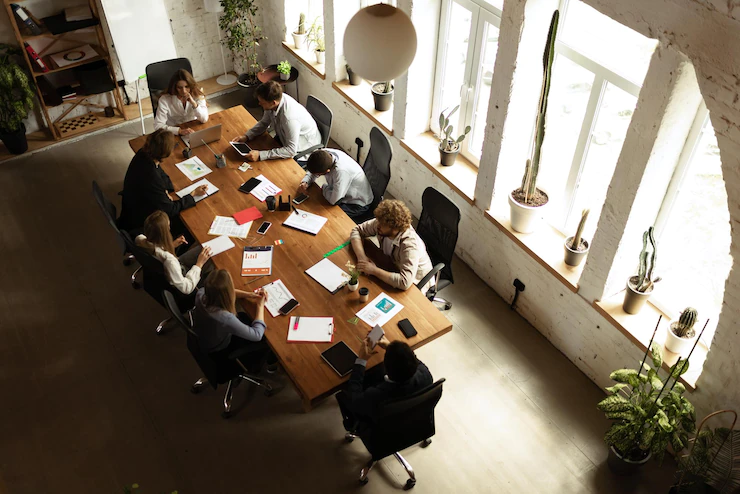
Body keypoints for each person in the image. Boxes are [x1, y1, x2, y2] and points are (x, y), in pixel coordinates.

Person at [117, 128, 207, 235]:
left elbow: (159, 170)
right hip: (141, 219)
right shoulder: (152, 178)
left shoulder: (144, 153)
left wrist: (166, 189)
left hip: (132, 203)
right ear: (165, 153)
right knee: (190, 222)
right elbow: (170, 209)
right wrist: (193, 194)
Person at [336, 337, 433, 433]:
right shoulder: (425, 375)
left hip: (382, 432)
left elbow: (355, 400)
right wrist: (392, 349)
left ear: (385, 369)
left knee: (344, 389)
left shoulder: (374, 396)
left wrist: (361, 360)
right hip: (412, 420)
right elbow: (413, 360)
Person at [193, 269, 278, 373]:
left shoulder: (201, 293)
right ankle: (268, 364)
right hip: (219, 348)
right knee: (267, 339)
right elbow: (257, 335)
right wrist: (260, 305)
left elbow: (226, 292)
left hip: (205, 335)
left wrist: (249, 295)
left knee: (243, 316)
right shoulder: (224, 318)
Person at [350, 200, 433, 292]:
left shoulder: (410, 246)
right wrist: (362, 258)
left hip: (416, 283)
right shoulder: (381, 224)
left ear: (394, 227)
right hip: (392, 266)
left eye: (382, 224)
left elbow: (404, 282)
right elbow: (357, 231)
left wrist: (373, 270)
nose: (377, 225)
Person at [232, 81, 321, 162]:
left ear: (273, 103)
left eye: (262, 102)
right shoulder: (275, 101)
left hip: (302, 149)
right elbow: (264, 123)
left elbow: (291, 150)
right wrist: (247, 136)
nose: (259, 104)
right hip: (285, 137)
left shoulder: (289, 119)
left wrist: (261, 155)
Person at [135, 211, 213, 295]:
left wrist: (171, 245)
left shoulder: (140, 239)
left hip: (176, 266)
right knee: (211, 259)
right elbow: (186, 288)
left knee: (205, 249)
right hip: (183, 277)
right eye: (168, 226)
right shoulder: (170, 261)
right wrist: (199, 264)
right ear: (164, 233)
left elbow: (156, 250)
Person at [297, 148, 373, 219]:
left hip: (357, 204)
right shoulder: (323, 154)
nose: (317, 176)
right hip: (341, 193)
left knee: (323, 217)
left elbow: (334, 201)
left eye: (319, 174)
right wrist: (305, 182)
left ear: (327, 171)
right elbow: (313, 171)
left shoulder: (341, 172)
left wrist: (324, 187)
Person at [153, 69, 208, 136]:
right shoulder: (165, 100)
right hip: (173, 132)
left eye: (187, 87)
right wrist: (179, 131)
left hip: (193, 129)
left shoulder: (197, 95)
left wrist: (194, 104)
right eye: (180, 87)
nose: (184, 91)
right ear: (175, 87)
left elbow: (204, 119)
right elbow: (158, 126)